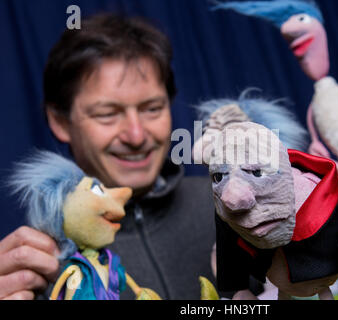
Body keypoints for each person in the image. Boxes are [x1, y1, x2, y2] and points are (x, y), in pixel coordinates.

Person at [0, 14, 216, 300]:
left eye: (152, 108)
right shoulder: (34, 262)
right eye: (107, 114)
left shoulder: (230, 207)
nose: (136, 135)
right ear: (60, 122)